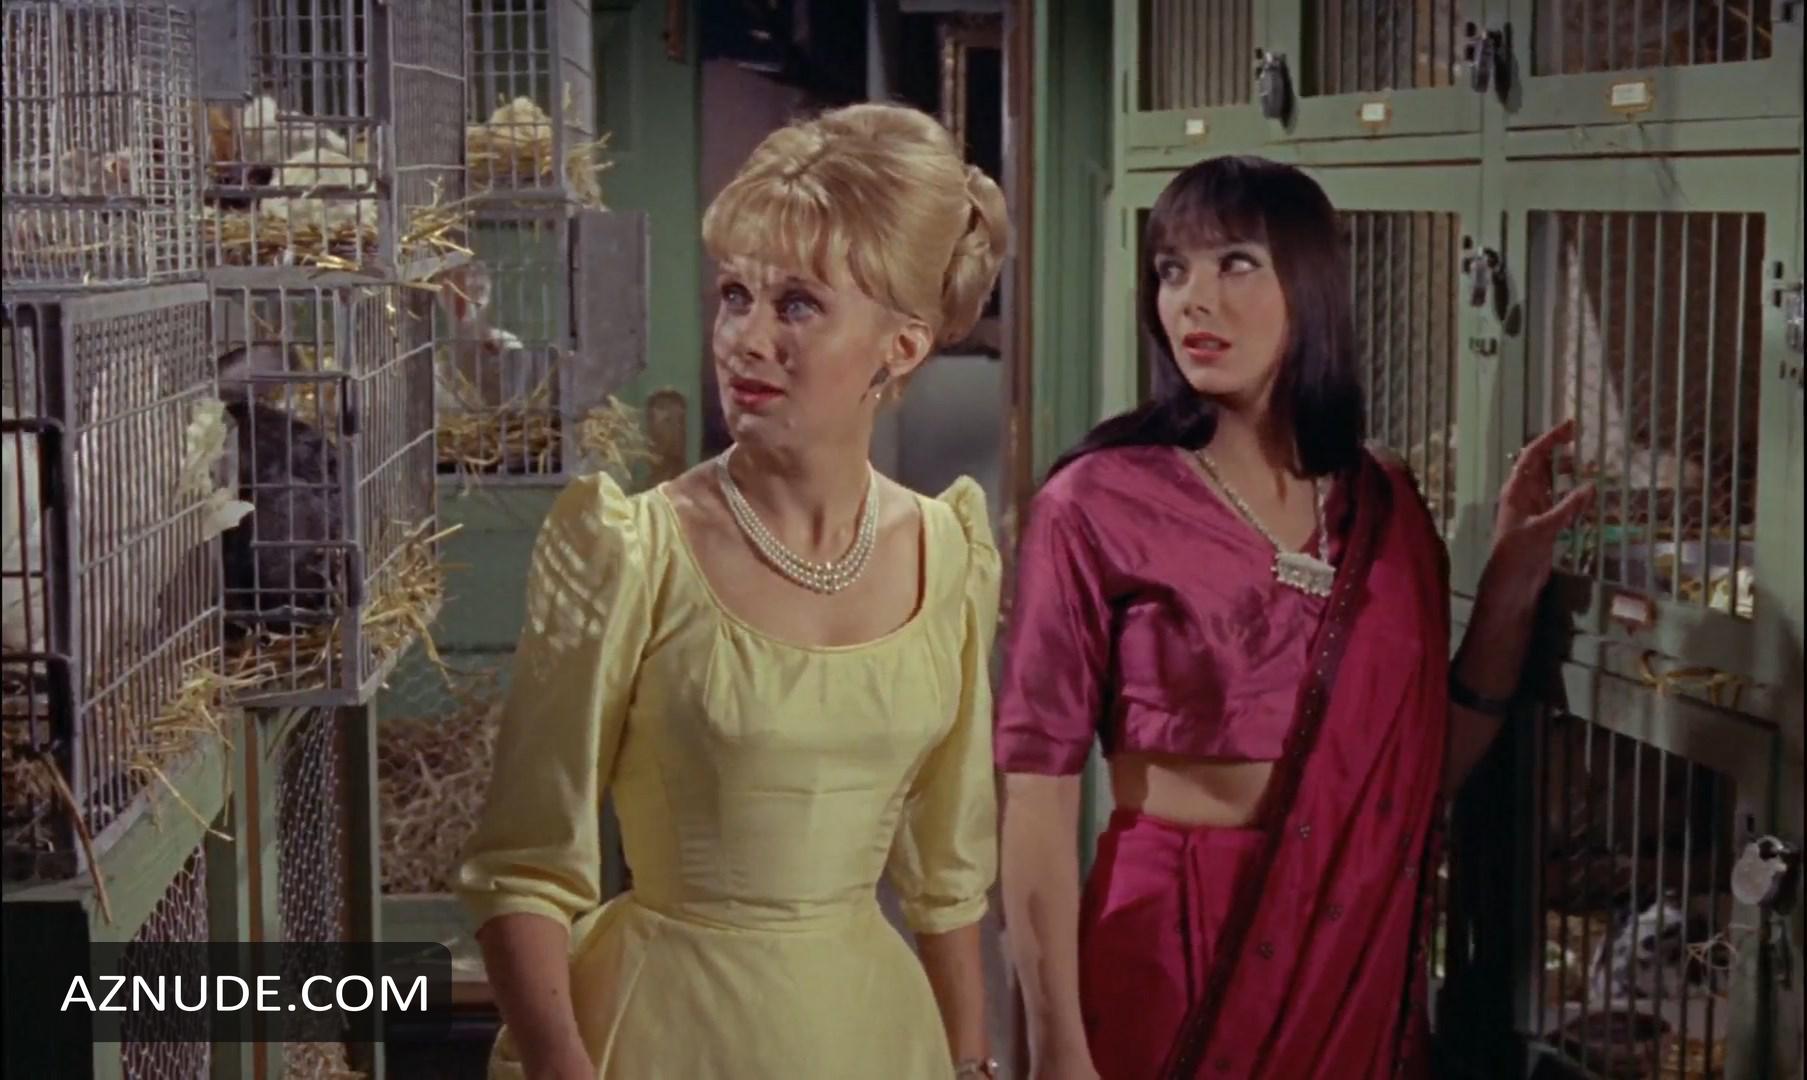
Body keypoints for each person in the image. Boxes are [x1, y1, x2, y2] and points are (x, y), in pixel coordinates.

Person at [994, 156, 1592, 1080]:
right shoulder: (1096, 503)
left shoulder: (1382, 504)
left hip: (1351, 964)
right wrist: (1056, 1049)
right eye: (1171, 271)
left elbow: (1419, 768)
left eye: (1235, 262)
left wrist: (1509, 587)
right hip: (1174, 952)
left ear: (1310, 287)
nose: (1194, 300)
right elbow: (1037, 792)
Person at [455, 103, 1010, 1080]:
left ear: (902, 345)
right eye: (734, 296)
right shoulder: (629, 548)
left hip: (872, 1038)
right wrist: (561, 1066)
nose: (745, 340)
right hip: (664, 1033)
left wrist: (970, 1064)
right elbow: (522, 870)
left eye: (796, 304)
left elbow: (948, 876)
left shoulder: (948, 550)